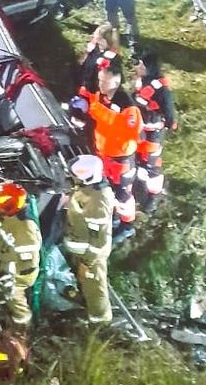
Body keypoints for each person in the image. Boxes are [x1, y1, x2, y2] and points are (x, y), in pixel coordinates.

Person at [75, 65, 142, 240]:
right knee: (108, 189)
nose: (101, 83)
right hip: (104, 154)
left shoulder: (128, 107)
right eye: (100, 79)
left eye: (105, 80)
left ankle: (127, 225)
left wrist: (94, 109)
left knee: (123, 194)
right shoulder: (102, 98)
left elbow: (123, 129)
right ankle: (113, 219)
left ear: (117, 81)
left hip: (121, 160)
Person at [0, 181, 41, 334]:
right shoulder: (10, 214)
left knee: (14, 299)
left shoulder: (25, 228)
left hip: (15, 275)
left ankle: (22, 326)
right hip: (1, 266)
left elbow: (27, 263)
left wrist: (9, 279)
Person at [62, 155, 114, 324]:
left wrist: (88, 263)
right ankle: (86, 305)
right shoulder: (90, 189)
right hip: (81, 251)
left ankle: (99, 321)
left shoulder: (99, 201)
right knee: (85, 281)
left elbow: (99, 240)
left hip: (91, 256)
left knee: (95, 287)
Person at [132, 53, 178, 213]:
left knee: (152, 166)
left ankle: (153, 197)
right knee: (138, 159)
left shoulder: (162, 89)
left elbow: (170, 117)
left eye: (141, 66)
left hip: (153, 135)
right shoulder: (143, 81)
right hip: (139, 130)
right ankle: (138, 187)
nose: (138, 68)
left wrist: (164, 125)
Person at [76, 22, 122, 93]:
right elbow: (84, 62)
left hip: (94, 87)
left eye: (98, 38)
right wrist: (86, 53)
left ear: (106, 40)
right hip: (84, 78)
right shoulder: (96, 47)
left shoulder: (110, 57)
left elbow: (102, 77)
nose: (95, 40)